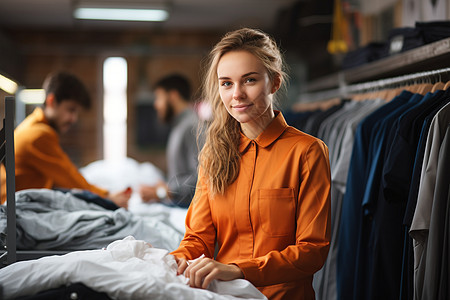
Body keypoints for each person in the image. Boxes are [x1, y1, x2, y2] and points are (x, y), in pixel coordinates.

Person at [170, 28, 331, 299]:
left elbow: (311, 251)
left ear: (274, 82)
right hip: (225, 295)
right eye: (226, 83)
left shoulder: (307, 152)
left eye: (250, 80)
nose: (237, 95)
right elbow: (197, 238)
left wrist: (237, 269)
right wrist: (175, 261)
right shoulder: (214, 154)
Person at [0, 71, 131, 207]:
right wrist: (107, 197)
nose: (73, 119)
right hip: (13, 210)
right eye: (71, 110)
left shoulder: (32, 125)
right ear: (51, 101)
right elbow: (69, 177)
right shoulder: (38, 134)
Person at [139, 74, 201, 208]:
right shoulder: (180, 126)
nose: (156, 105)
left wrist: (163, 192)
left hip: (190, 211)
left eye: (159, 98)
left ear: (173, 95)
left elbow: (202, 178)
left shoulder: (192, 126)